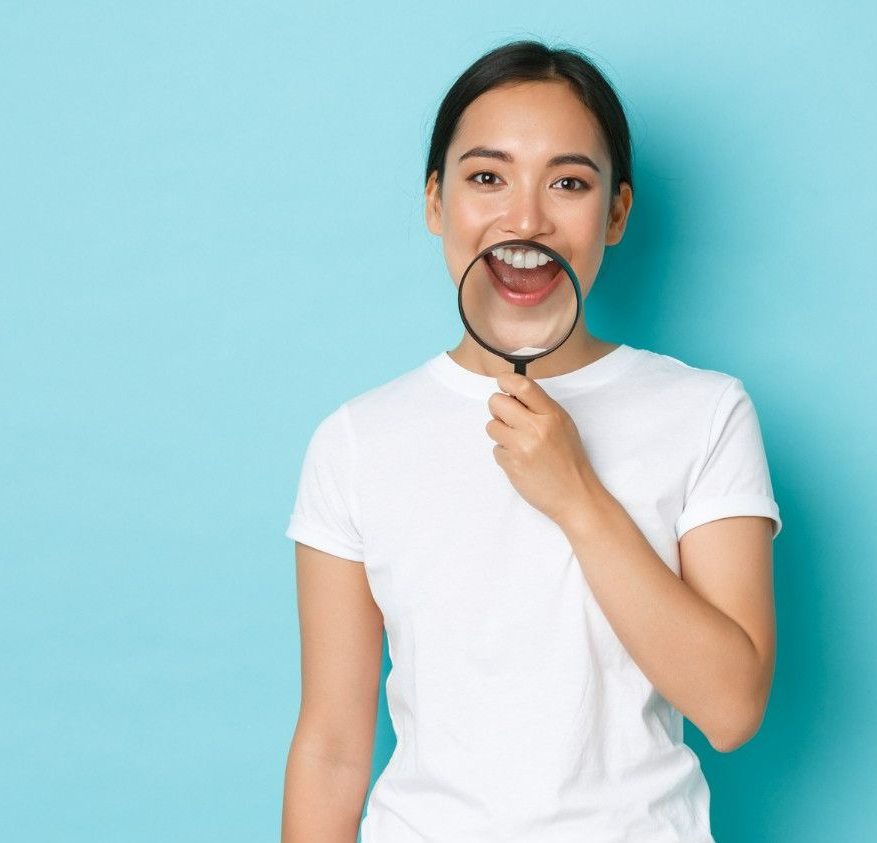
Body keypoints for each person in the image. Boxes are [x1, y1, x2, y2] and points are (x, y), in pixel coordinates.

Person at [281, 39, 782, 843]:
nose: (525, 219)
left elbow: (731, 707)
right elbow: (332, 748)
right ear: (435, 201)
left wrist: (575, 494)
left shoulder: (706, 413)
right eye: (488, 177)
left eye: (569, 182)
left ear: (615, 213)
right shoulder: (355, 440)